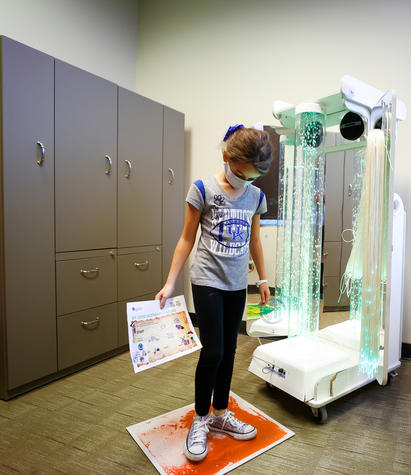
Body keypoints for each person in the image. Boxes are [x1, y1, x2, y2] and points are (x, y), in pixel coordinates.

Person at [155, 124, 272, 462]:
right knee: (213, 351)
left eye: (250, 177)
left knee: (231, 349)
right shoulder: (202, 189)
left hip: (237, 284)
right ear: (226, 157)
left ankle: (221, 413)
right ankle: (201, 418)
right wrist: (169, 282)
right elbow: (186, 238)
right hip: (207, 280)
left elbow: (255, 242)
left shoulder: (256, 196)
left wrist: (262, 280)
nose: (243, 180)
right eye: (239, 173)